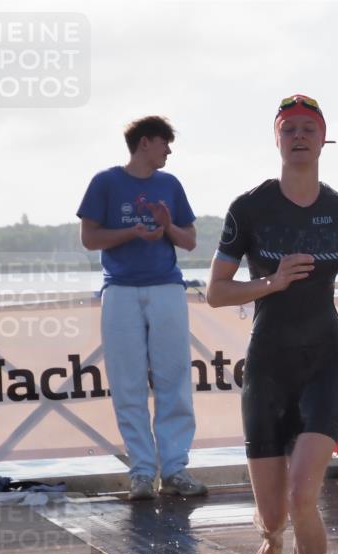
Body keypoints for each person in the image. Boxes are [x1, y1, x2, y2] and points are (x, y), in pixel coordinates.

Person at [206, 95, 338, 554]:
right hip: (268, 368)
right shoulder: (250, 208)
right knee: (274, 513)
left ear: (323, 139)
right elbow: (215, 292)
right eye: (289, 129)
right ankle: (271, 542)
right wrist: (271, 282)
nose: (299, 136)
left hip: (325, 362)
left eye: (308, 128)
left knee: (304, 493)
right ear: (276, 140)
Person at [77, 115, 208, 501]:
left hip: (166, 287)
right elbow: (89, 238)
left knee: (174, 380)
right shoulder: (105, 182)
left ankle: (175, 469)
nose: (169, 151)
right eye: (165, 143)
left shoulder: (170, 185)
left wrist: (167, 227)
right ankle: (141, 473)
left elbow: (189, 241)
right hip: (120, 290)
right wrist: (132, 232)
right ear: (146, 142)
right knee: (127, 383)